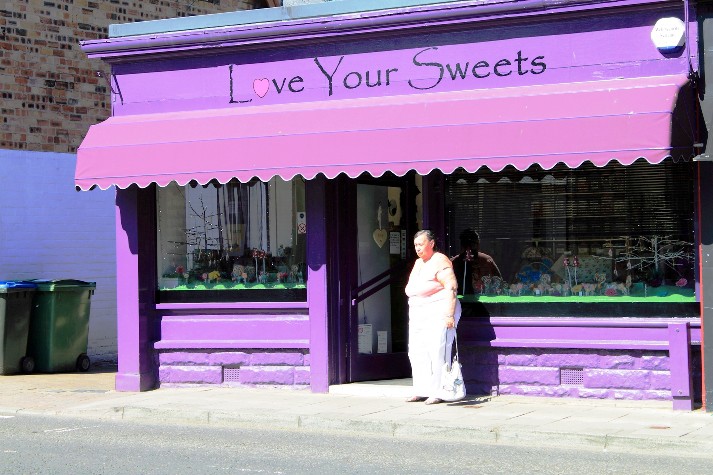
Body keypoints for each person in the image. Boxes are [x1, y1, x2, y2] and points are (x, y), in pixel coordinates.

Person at [404, 229, 461, 405]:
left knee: (437, 350)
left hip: (438, 310)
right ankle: (421, 389)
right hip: (419, 312)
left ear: (431, 243)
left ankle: (439, 391)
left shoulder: (440, 260)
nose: (418, 248)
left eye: (421, 244)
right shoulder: (418, 262)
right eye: (415, 245)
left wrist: (449, 314)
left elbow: (451, 286)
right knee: (417, 350)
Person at [451, 228, 502, 296]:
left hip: (482, 300)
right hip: (459, 300)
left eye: (472, 245)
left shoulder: (486, 261)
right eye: (466, 245)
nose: (469, 249)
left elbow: (499, 283)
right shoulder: (453, 263)